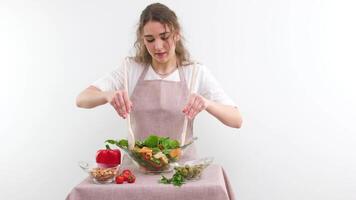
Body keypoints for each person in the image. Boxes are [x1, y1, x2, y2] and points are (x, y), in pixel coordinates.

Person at [76, 3, 242, 160]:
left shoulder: (195, 72)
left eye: (164, 37)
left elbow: (236, 119)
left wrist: (207, 103)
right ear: (142, 39)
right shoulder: (131, 69)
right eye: (150, 39)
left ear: (176, 34)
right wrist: (108, 95)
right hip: (138, 170)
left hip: (181, 171)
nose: (158, 46)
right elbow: (82, 99)